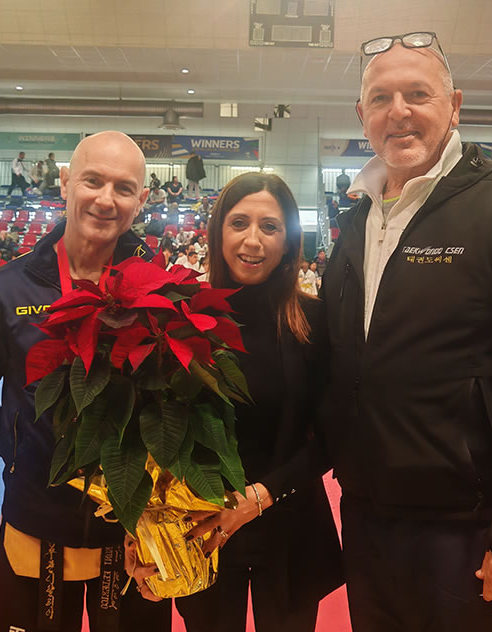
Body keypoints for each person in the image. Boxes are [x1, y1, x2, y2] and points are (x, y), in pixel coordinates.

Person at [319, 34, 492, 631]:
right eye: (381, 98)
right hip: (367, 517)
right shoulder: (358, 219)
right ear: (362, 115)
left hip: (471, 528)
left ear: (455, 105)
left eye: (417, 94)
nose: (398, 111)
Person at [0, 131, 171, 631]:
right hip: (36, 518)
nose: (106, 199)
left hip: (136, 531)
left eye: (124, 188)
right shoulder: (5, 290)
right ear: (65, 182)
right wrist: (22, 447)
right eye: (93, 181)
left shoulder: (162, 292)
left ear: (142, 200)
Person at [163, 173, 343, 630]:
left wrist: (259, 497)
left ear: (288, 242)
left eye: (270, 226)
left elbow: (334, 436)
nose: (252, 240)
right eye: (239, 223)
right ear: (218, 232)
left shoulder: (315, 322)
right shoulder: (181, 318)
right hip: (202, 526)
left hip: (290, 523)